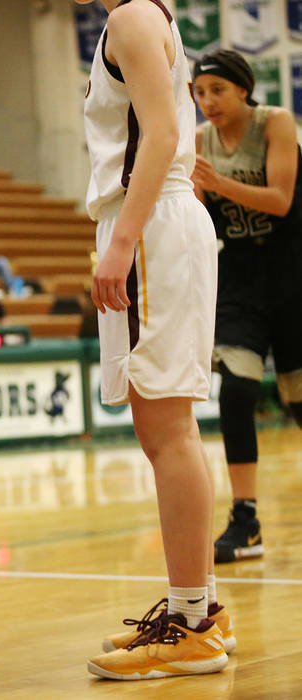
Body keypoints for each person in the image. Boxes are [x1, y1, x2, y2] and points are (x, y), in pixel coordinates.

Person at [76, 0, 229, 680]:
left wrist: (126, 239)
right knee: (168, 427)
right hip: (161, 222)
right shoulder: (146, 16)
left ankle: (191, 623)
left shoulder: (134, 16)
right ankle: (202, 611)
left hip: (154, 227)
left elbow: (162, 135)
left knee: (166, 429)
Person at [191, 49, 302, 565]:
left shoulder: (275, 122)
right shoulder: (197, 143)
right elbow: (200, 216)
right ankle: (246, 520)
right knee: (235, 393)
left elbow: (280, 199)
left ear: (242, 89)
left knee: (296, 402)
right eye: (199, 91)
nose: (206, 100)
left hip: (292, 274)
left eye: (217, 89)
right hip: (239, 278)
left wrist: (217, 184)